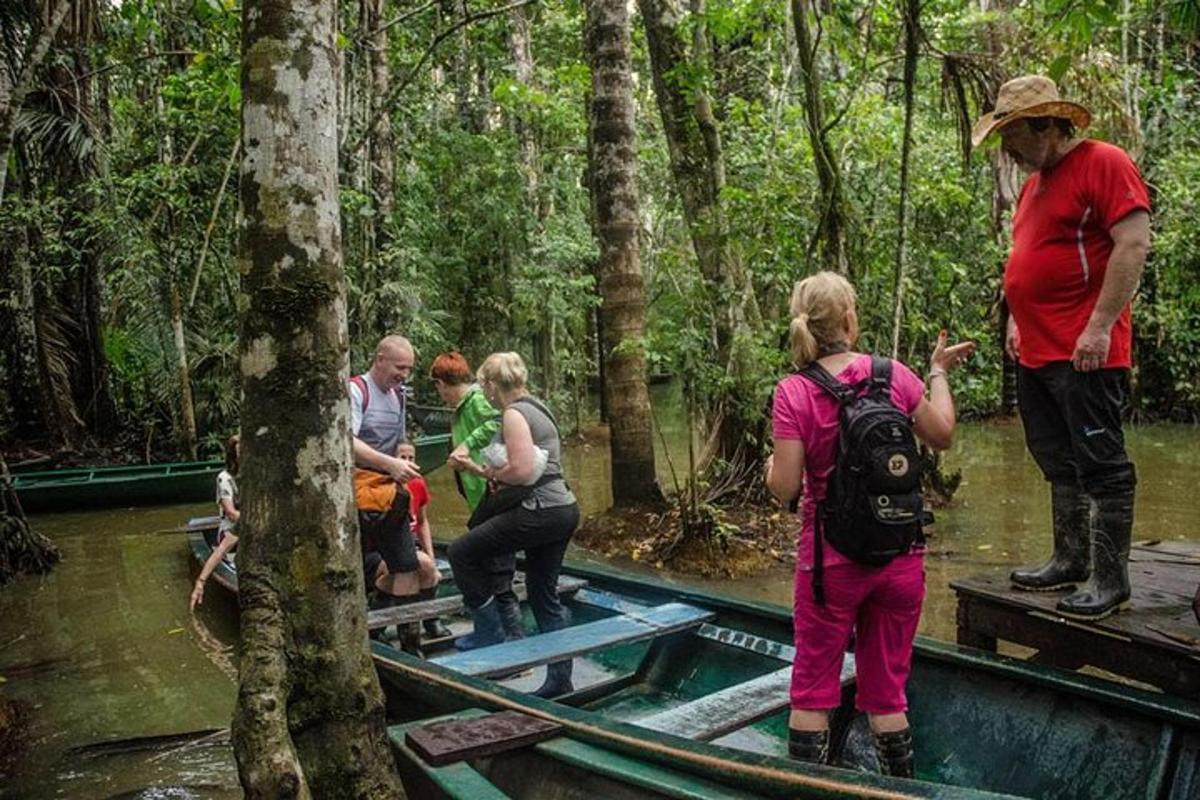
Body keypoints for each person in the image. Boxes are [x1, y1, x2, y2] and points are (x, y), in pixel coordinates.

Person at [766, 272, 972, 776]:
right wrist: (938, 373)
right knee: (887, 694)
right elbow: (942, 434)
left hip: (830, 567)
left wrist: (769, 467)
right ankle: (899, 787)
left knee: (814, 688)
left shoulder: (793, 392)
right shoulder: (893, 375)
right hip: (900, 558)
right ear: (850, 322)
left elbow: (786, 487)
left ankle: (808, 788)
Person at [972, 75, 1151, 619]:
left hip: (1086, 350)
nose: (1007, 149)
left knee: (1101, 462)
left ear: (1047, 125)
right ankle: (1070, 558)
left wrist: (1099, 326)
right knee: (1055, 458)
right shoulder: (1034, 186)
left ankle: (1110, 580)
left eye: (1013, 135)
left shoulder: (1104, 162)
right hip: (1038, 350)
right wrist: (1017, 320)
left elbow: (1134, 241)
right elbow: (1030, 258)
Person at [446, 352, 580, 698]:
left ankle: (488, 632)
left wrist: (493, 474)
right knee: (542, 593)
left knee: (461, 552)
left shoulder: (514, 414)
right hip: (562, 507)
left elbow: (520, 471)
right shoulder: (539, 407)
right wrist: (484, 472)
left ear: (491, 385)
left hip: (539, 511)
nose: (483, 391)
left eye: (483, 384)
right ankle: (560, 678)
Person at [431, 351, 524, 641]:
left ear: (441, 383)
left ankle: (510, 640)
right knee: (486, 566)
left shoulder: (478, 400)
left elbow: (500, 421)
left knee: (496, 571)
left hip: (494, 496)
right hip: (481, 501)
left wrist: (467, 445)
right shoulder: (463, 406)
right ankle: (490, 632)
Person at [349, 335, 427, 650]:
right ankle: (361, 632)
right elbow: (345, 440)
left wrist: (403, 470)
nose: (403, 375)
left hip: (389, 495)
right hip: (356, 494)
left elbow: (399, 444)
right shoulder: (356, 390)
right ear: (380, 358)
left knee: (407, 565)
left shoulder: (398, 397)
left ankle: (411, 644)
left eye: (408, 369)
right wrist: (388, 463)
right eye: (399, 367)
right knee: (355, 565)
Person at [191, 435, 240, 611]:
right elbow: (231, 513)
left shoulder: (254, 476)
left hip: (249, 523)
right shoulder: (224, 478)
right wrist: (201, 581)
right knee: (226, 547)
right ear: (233, 454)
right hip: (233, 526)